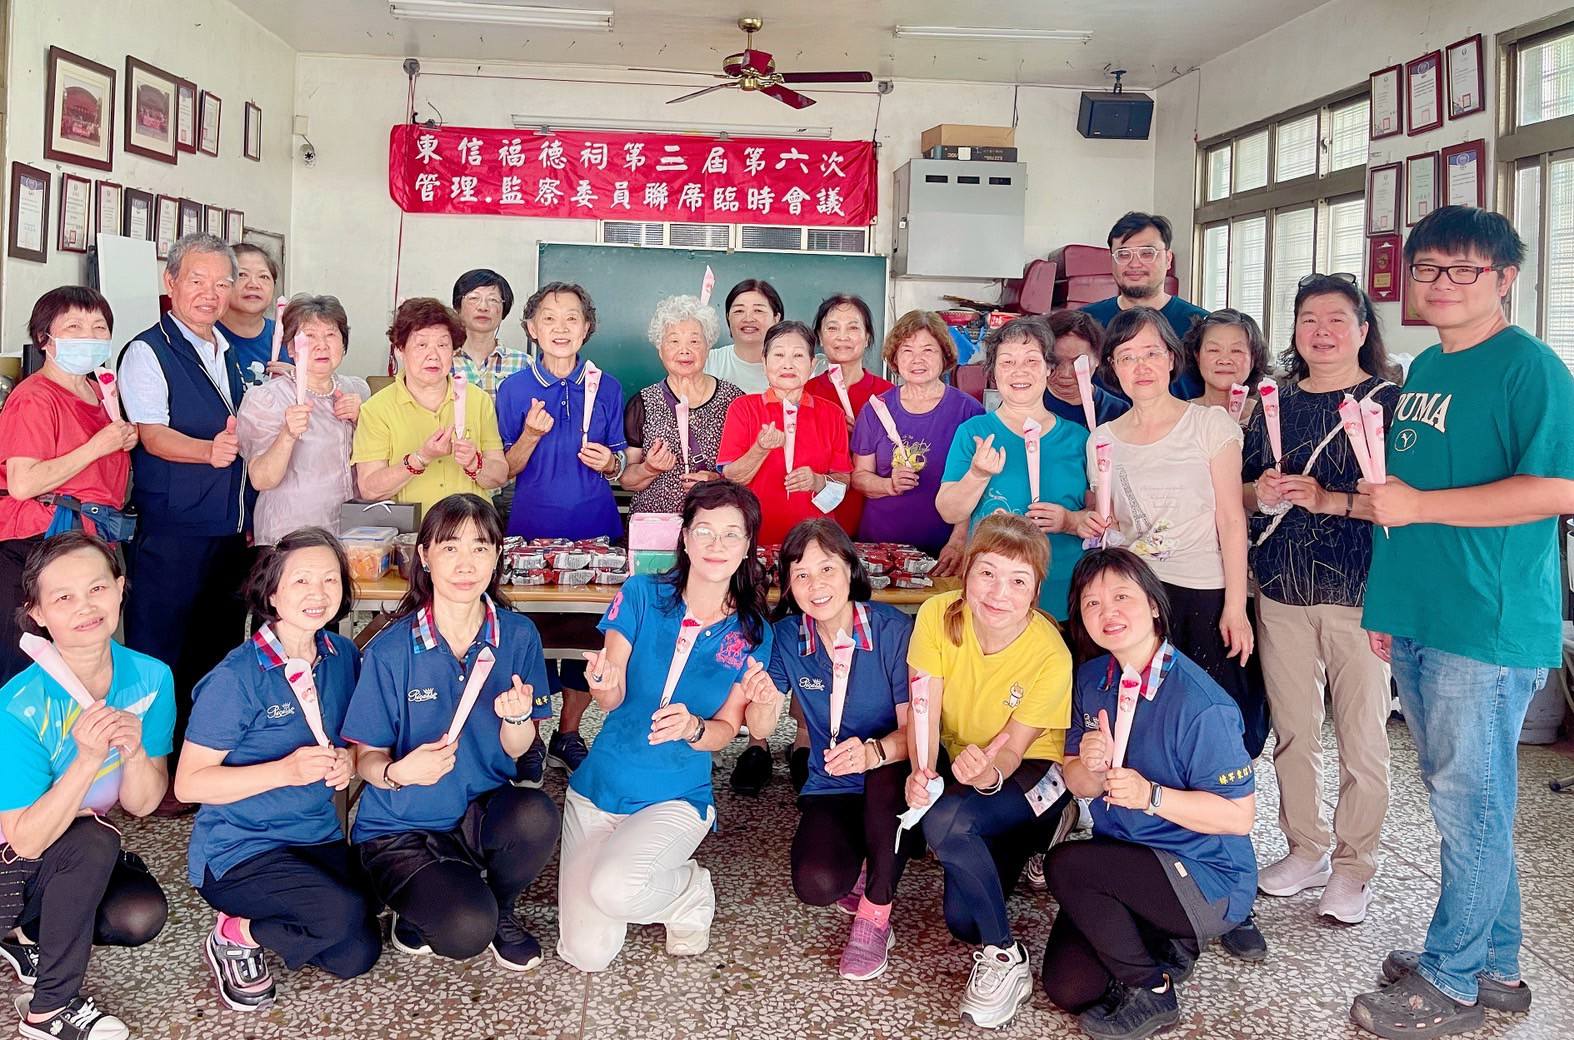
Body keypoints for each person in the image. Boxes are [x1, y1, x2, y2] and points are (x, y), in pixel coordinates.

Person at [1351, 207, 1574, 1039]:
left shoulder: (1532, 370)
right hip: (1422, 610)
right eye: (1428, 270)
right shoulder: (1429, 370)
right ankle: (1499, 969)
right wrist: (1388, 605)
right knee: (1473, 799)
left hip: (1485, 620)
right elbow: (1395, 508)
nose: (1442, 285)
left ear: (1506, 277)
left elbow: (1560, 488)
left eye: (1463, 271)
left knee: (1469, 802)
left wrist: (1420, 507)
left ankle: (1448, 978)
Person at [1085, 307, 1268, 963]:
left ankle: (1229, 889)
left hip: (1202, 596)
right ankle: (1153, 872)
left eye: (1151, 353)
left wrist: (1235, 604)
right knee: (1141, 733)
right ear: (1113, 368)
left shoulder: (1209, 423)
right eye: (1126, 356)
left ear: (1171, 359)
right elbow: (1110, 524)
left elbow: (1229, 518)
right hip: (1138, 600)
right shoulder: (1103, 436)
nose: (1140, 366)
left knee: (1218, 745)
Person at [557, 480, 782, 972]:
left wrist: (694, 729)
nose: (716, 545)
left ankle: (688, 894)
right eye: (704, 531)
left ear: (748, 546)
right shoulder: (641, 592)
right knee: (586, 954)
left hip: (674, 796)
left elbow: (726, 729)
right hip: (600, 787)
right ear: (684, 537)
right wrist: (601, 682)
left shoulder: (751, 632)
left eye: (731, 534)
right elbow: (612, 694)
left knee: (616, 890)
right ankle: (633, 876)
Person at [1043, 548, 1257, 1040]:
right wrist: (1091, 768)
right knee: (1069, 987)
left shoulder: (1200, 704)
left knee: (1066, 865)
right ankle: (1168, 938)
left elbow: (1238, 818)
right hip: (1128, 858)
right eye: (1092, 603)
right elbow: (1075, 782)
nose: (1107, 613)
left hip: (1207, 875)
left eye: (1122, 596)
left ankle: (1154, 990)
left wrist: (1151, 796)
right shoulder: (1092, 680)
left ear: (1155, 605)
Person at [341, 494, 559, 971]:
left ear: (498, 555)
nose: (466, 563)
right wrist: (400, 771)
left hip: (475, 813)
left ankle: (501, 907)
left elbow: (520, 749)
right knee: (463, 931)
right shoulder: (391, 649)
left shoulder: (518, 636)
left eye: (481, 548)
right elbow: (365, 759)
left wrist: (518, 719)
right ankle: (417, 902)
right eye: (450, 547)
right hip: (400, 827)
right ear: (423, 556)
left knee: (536, 814)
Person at [1244, 275, 1399, 927]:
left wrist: (1329, 499)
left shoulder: (1390, 400)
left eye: (1338, 318)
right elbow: (1246, 490)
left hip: (1360, 593)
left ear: (1363, 329)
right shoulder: (1272, 400)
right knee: (1294, 731)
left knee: (1363, 737)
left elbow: (1405, 503)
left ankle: (1354, 866)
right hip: (1281, 588)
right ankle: (1304, 847)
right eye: (1309, 319)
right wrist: (1265, 491)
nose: (1323, 331)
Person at [175, 528, 379, 1011]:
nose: (318, 594)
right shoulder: (235, 678)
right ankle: (235, 933)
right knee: (341, 914)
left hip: (313, 834)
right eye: (302, 581)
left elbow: (353, 739)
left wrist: (349, 760)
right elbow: (188, 783)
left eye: (330, 580)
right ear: (271, 592)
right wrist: (284, 770)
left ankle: (283, 920)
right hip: (239, 849)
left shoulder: (341, 656)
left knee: (357, 953)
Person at [904, 513, 1079, 1030]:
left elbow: (1012, 750)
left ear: (1035, 592)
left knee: (949, 823)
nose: (1000, 592)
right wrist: (920, 770)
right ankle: (1010, 848)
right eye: (988, 573)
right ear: (967, 572)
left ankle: (1005, 957)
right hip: (963, 769)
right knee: (962, 921)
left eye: (1018, 580)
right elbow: (924, 707)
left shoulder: (1050, 652)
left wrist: (986, 775)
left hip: (1031, 772)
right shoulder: (938, 614)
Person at [0, 533, 173, 1040]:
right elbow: (25, 839)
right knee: (94, 837)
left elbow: (141, 803)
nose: (85, 607)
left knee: (138, 914)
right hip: (12, 857)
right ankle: (49, 1009)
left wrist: (135, 751)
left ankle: (25, 934)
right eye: (63, 597)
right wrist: (87, 760)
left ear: (120, 589)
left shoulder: (151, 678)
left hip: (63, 855)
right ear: (36, 613)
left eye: (97, 588)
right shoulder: (20, 703)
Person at [117, 234, 256, 798]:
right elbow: (150, 434)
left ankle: (200, 770)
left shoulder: (228, 352)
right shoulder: (147, 351)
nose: (211, 293)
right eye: (197, 280)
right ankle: (152, 778)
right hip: (171, 530)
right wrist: (207, 452)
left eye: (222, 283)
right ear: (170, 283)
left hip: (225, 530)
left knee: (215, 649)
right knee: (160, 652)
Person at [771, 519, 913, 981]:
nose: (817, 586)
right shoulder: (789, 638)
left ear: (851, 569)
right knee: (816, 884)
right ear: (789, 585)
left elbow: (920, 732)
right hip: (831, 780)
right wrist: (757, 694)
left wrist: (873, 752)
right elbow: (761, 721)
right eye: (801, 574)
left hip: (893, 772)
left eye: (827, 568)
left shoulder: (894, 631)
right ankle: (866, 858)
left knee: (884, 789)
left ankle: (876, 913)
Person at [495, 282, 624, 785]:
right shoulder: (512, 389)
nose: (561, 327)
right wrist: (530, 434)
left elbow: (618, 462)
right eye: (549, 318)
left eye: (572, 318)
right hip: (531, 528)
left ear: (587, 328)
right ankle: (527, 737)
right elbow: (504, 470)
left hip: (595, 528)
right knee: (530, 639)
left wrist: (610, 461)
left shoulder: (606, 386)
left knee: (589, 639)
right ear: (531, 329)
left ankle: (567, 734)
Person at [718, 320, 852, 796]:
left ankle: (801, 741)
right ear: (764, 361)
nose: (788, 365)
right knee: (759, 638)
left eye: (799, 356)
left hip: (812, 551)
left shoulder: (831, 414)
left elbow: (842, 481)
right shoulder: (745, 409)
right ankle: (756, 741)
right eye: (779, 356)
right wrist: (761, 446)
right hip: (753, 546)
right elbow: (730, 477)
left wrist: (818, 482)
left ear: (813, 364)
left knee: (810, 640)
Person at [0, 287, 135, 686]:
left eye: (98, 327)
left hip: (90, 543)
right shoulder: (34, 398)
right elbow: (24, 482)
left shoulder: (98, 390)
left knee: (80, 667)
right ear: (45, 338)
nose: (88, 336)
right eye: (73, 326)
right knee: (28, 668)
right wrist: (98, 446)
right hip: (38, 544)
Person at [937, 316, 1093, 620]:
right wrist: (977, 474)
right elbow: (949, 512)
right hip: (992, 595)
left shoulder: (1079, 438)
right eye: (1007, 362)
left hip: (1061, 592)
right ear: (993, 374)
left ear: (1049, 369)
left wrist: (1070, 521)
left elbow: (1104, 519)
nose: (1019, 371)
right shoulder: (975, 433)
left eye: (1031, 361)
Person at [351, 298, 508, 518]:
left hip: (473, 532)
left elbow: (500, 474)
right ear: (400, 350)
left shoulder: (477, 400)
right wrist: (420, 458)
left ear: (453, 351)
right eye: (421, 345)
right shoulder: (376, 409)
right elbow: (369, 489)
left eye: (443, 345)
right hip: (413, 536)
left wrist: (475, 463)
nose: (433, 355)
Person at [850, 309, 981, 567]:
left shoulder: (968, 411)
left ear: (945, 355)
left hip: (942, 551)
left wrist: (959, 540)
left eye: (928, 350)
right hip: (879, 551)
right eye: (907, 350)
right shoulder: (876, 409)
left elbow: (977, 486)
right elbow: (859, 477)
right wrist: (889, 485)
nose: (917, 359)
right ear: (895, 358)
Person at [235, 296, 370, 545]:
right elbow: (262, 479)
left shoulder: (358, 391)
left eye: (331, 335)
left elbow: (374, 460)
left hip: (352, 533)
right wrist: (287, 435)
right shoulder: (266, 398)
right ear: (290, 348)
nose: (321, 345)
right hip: (291, 532)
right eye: (308, 336)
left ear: (343, 343)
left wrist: (364, 420)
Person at [621, 295, 742, 515]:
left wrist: (717, 480)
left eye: (694, 341)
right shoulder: (643, 403)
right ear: (660, 350)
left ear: (708, 347)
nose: (684, 350)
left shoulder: (733, 400)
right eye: (674, 341)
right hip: (656, 527)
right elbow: (627, 481)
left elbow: (749, 472)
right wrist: (649, 468)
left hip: (714, 525)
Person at [1079, 212, 1207, 399]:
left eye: (1147, 253)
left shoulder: (1201, 325)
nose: (1134, 263)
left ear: (1168, 259)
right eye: (1123, 254)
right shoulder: (1085, 324)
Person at [805, 294, 892, 534]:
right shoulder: (805, 393)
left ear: (867, 337)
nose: (842, 336)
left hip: (875, 510)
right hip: (819, 513)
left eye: (853, 327)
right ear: (820, 338)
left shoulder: (889, 395)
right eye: (832, 328)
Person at [451, 269, 530, 525]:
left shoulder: (524, 364)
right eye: (474, 298)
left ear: (503, 311)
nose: (483, 306)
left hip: (512, 482)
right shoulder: (440, 361)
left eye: (494, 300)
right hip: (456, 476)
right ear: (458, 306)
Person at [704, 278, 827, 393]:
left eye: (758, 310)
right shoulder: (707, 361)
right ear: (728, 317)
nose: (748, 318)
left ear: (776, 318)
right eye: (739, 311)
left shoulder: (808, 365)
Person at [216, 243, 290, 389]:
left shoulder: (289, 336)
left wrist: (298, 379)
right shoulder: (207, 337)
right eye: (242, 275)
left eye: (263, 276)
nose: (254, 284)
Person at [1042, 309, 1129, 429]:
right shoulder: (1023, 406)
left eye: (1078, 363)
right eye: (1055, 362)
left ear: (1098, 359)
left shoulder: (1119, 412)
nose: (1066, 373)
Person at [1183, 309, 1269, 426]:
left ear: (1254, 358)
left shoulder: (1268, 416)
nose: (1224, 360)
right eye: (1213, 350)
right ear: (1197, 356)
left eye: (1236, 351)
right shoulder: (1180, 417)